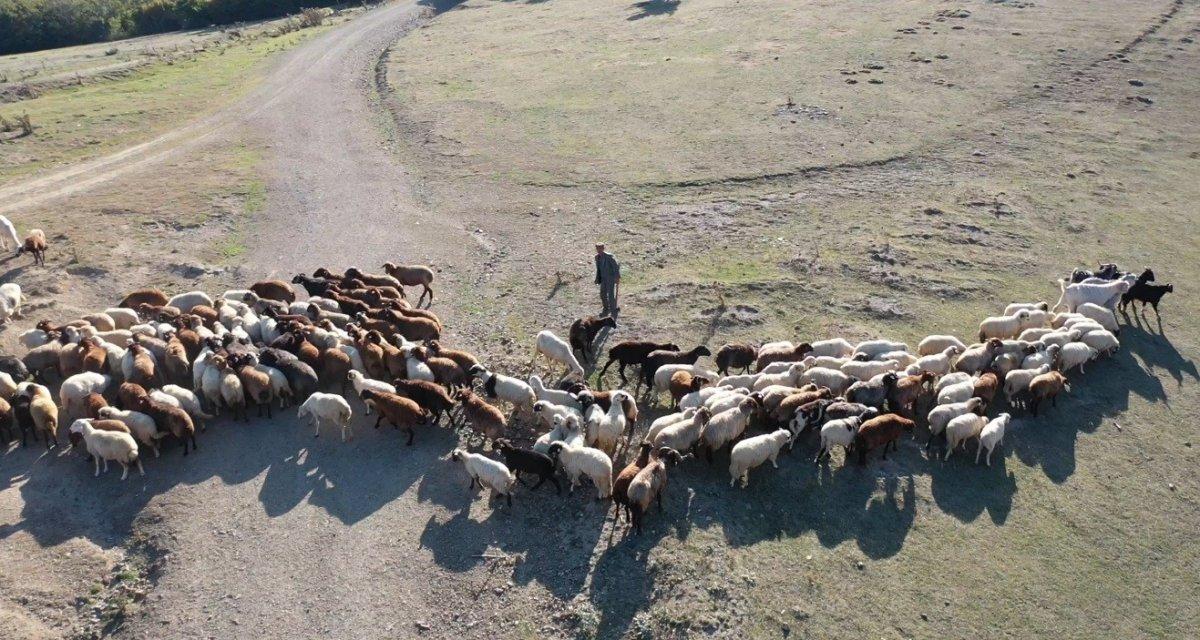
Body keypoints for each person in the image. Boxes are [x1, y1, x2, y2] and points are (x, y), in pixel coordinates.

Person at [594, 243, 620, 317]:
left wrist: (617, 277)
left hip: (610, 279)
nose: (598, 250)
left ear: (603, 248)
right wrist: (597, 278)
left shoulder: (609, 256)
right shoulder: (597, 257)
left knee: (610, 294)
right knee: (602, 294)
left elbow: (615, 267)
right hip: (603, 279)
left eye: (600, 248)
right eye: (597, 248)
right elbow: (598, 269)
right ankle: (606, 308)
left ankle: (613, 310)